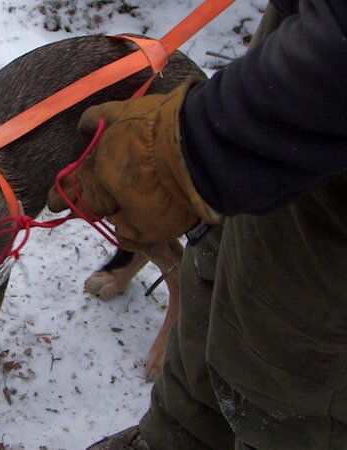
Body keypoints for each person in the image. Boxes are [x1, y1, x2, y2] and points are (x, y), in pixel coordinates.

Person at [46, 0, 347, 448]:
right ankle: (177, 434)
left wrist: (195, 146)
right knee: (226, 276)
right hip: (302, 47)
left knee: (293, 368)